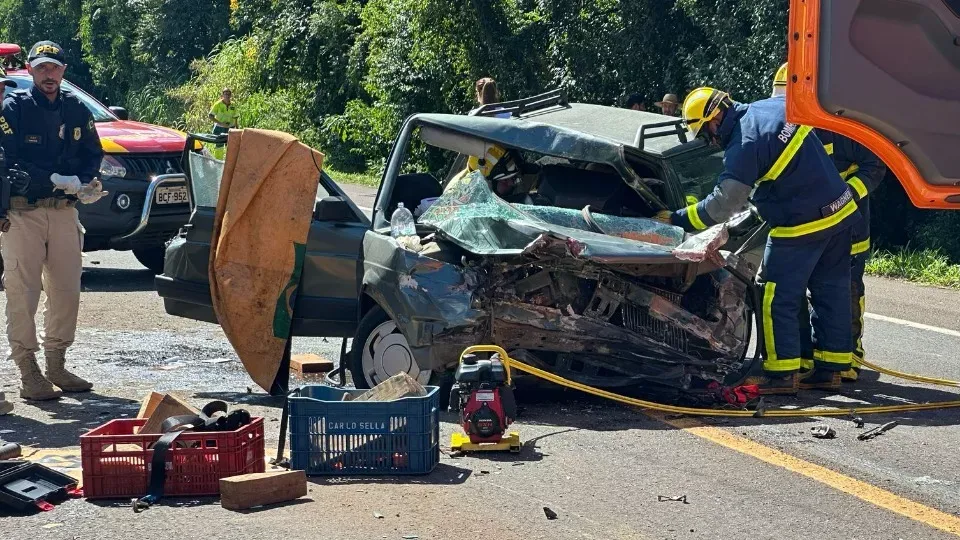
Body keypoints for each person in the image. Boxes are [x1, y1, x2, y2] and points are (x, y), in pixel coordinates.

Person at [667, 87, 860, 394]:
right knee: (831, 289)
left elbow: (722, 205)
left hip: (802, 222)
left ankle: (782, 375)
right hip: (840, 211)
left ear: (715, 119)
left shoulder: (744, 143)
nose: (709, 141)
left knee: (772, 292)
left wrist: (676, 219)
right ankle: (830, 370)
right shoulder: (772, 106)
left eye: (705, 133)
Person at [0, 41, 104, 401]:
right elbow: (8, 161)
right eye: (42, 67)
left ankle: (56, 363)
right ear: (30, 69)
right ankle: (28, 370)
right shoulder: (14, 108)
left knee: (66, 290)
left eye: (55, 68)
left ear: (63, 71)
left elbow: (93, 151)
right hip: (23, 211)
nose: (49, 74)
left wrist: (87, 183)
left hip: (64, 211)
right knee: (23, 292)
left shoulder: (76, 108)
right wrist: (54, 179)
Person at [772, 62, 886, 383]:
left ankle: (846, 359)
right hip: (806, 232)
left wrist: (844, 197)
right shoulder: (784, 131)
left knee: (844, 294)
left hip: (848, 230)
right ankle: (807, 360)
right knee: (797, 293)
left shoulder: (842, 126)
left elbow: (874, 166)